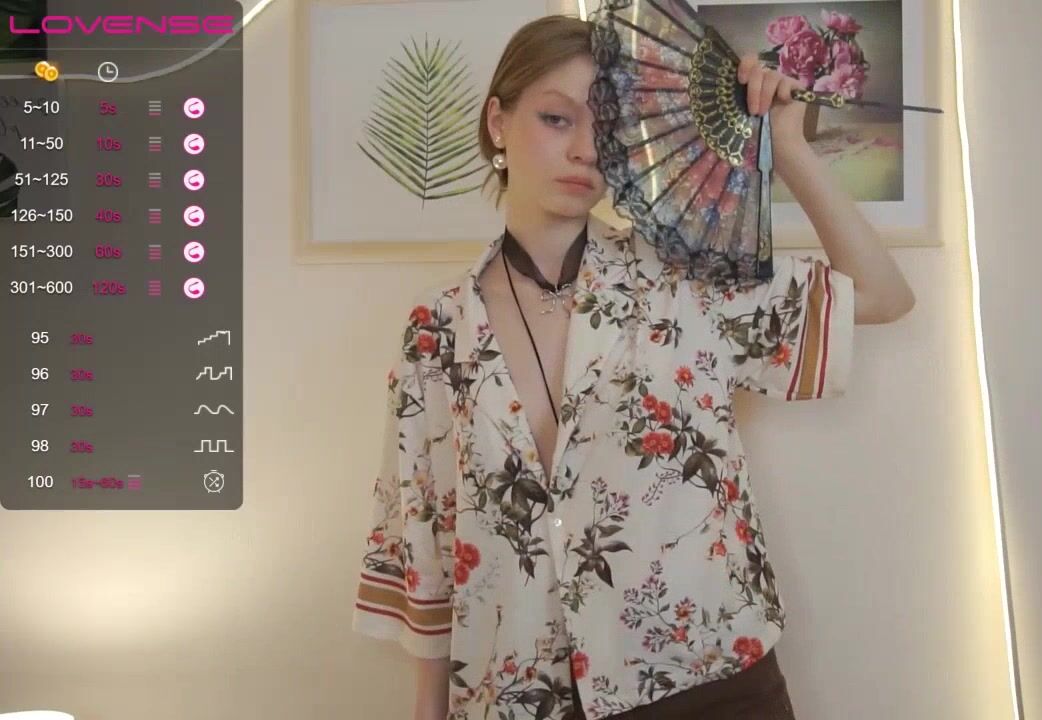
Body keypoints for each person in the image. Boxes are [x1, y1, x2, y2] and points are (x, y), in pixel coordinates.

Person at [352, 13, 915, 720]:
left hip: (708, 684)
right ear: (498, 122)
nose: (585, 149)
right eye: (556, 118)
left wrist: (790, 145)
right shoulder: (436, 329)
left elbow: (885, 296)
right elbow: (427, 539)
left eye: (607, 125)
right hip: (519, 693)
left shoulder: (690, 279)